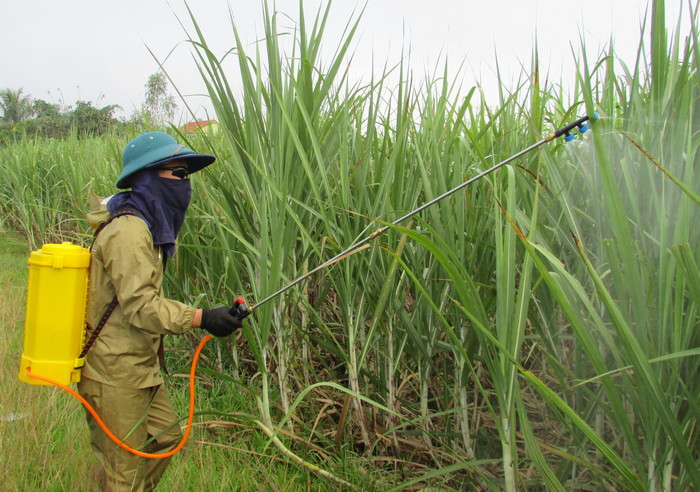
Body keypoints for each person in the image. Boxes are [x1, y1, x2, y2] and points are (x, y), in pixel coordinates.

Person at [78, 131, 243, 491]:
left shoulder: (147, 225)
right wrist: (201, 317)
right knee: (124, 471)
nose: (186, 184)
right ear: (148, 176)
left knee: (166, 440)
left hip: (140, 364)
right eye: (179, 174)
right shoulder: (128, 230)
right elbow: (140, 306)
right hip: (114, 371)